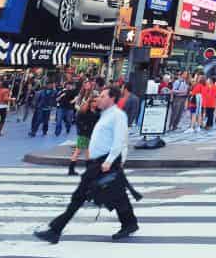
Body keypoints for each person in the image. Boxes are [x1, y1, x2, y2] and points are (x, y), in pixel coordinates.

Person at [34, 86, 139, 243]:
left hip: (105, 162)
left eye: (103, 96)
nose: (99, 98)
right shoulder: (105, 115)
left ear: (112, 99)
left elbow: (120, 140)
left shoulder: (118, 116)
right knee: (117, 195)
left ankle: (55, 230)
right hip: (99, 162)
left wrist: (110, 161)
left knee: (80, 196)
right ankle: (130, 223)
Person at [68, 84, 99, 176]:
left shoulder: (96, 112)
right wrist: (83, 128)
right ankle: (72, 169)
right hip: (84, 134)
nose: (96, 103)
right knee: (79, 151)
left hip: (89, 134)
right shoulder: (86, 112)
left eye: (96, 101)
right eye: (94, 102)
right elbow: (78, 120)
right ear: (91, 103)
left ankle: (82, 170)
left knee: (87, 151)